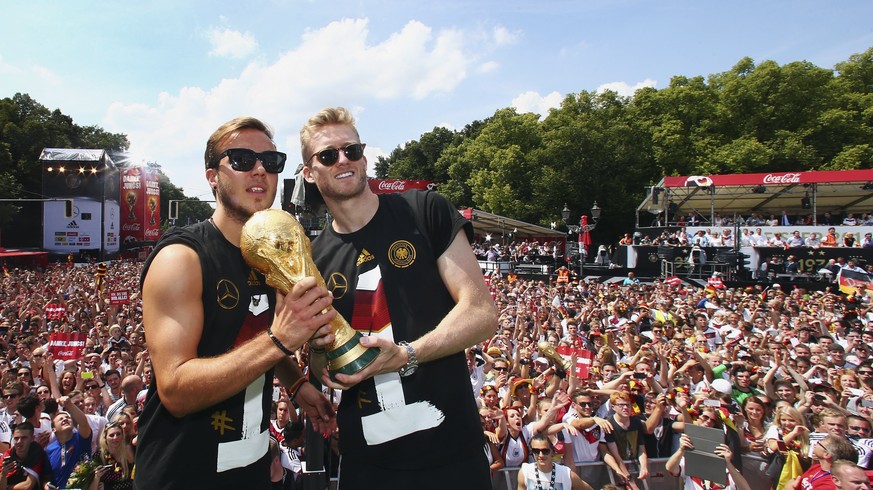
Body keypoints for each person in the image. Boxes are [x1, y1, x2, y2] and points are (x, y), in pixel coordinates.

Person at [300, 107, 498, 488]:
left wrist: (407, 355)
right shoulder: (314, 258)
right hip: (368, 463)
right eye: (328, 155)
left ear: (364, 157)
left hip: (452, 452)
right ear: (310, 172)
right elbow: (324, 361)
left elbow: (481, 312)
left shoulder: (424, 209)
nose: (343, 160)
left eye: (351, 150)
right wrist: (322, 355)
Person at [136, 116, 337, 489]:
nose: (260, 170)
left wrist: (296, 384)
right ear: (212, 176)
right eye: (242, 159)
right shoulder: (182, 258)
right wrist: (280, 340)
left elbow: (246, 342)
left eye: (271, 161)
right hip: (182, 473)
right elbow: (176, 390)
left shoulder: (269, 256)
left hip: (252, 469)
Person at [45, 396, 93, 488]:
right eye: (60, 419)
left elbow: (83, 422)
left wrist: (69, 405)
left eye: (67, 417)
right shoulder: (49, 450)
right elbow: (47, 476)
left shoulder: (81, 438)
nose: (65, 419)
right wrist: (46, 486)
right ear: (53, 429)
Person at [517, 433, 592, 490]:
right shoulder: (525, 471)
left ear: (552, 452)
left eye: (545, 451)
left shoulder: (566, 474)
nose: (541, 455)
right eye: (536, 451)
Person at [0, 422, 51, 490]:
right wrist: (3, 475)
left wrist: (7, 487)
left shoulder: (37, 453)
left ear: (32, 438)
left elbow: (27, 486)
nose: (19, 442)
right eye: (16, 438)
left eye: (24, 438)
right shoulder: (8, 455)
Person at [88, 421, 135, 490]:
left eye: (118, 434)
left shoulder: (129, 451)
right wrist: (97, 477)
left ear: (122, 435)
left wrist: (110, 488)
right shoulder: (99, 456)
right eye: (111, 435)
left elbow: (135, 481)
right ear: (105, 437)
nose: (115, 438)